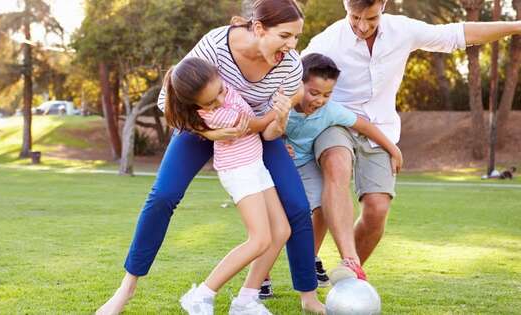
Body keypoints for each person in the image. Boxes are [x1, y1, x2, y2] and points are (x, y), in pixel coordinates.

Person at [97, 1, 326, 314]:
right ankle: (126, 288)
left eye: (296, 38)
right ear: (259, 28)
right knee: (164, 195)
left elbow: (284, 105)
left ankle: (305, 296)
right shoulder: (216, 45)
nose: (292, 46)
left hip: (254, 132)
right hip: (200, 126)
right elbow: (168, 101)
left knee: (297, 207)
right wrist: (208, 134)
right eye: (285, 36)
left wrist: (284, 110)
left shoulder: (289, 63)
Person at [300, 0, 521, 281]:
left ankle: (346, 280)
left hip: (380, 129)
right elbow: (293, 75)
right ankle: (343, 260)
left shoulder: (402, 30)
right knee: (337, 164)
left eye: (371, 18)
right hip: (336, 123)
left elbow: (458, 34)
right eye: (354, 17)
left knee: (377, 210)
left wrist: (516, 27)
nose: (362, 27)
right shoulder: (328, 41)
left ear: (383, 4)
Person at [260, 52, 404, 297]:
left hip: (305, 166)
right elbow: (260, 131)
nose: (319, 100)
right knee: (274, 222)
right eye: (314, 93)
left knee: (324, 207)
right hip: (275, 166)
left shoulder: (330, 112)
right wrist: (279, 143)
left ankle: (308, 258)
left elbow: (364, 125)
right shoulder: (279, 103)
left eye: (327, 94)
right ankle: (262, 276)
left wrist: (393, 149)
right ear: (297, 84)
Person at [164, 57, 290, 314]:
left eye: (220, 91)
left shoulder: (224, 87)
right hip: (239, 171)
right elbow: (255, 124)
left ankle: (246, 299)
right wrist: (282, 107)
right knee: (259, 239)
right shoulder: (216, 115)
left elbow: (240, 100)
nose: (220, 100)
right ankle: (201, 294)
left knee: (281, 231)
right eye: (210, 102)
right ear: (196, 105)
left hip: (255, 164)